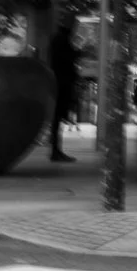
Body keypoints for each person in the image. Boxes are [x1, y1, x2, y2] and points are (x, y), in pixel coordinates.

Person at [47, 13, 80, 165]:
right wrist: (79, 53)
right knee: (58, 116)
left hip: (60, 81)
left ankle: (55, 149)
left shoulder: (59, 39)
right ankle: (55, 149)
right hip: (62, 82)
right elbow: (67, 59)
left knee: (58, 117)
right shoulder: (63, 40)